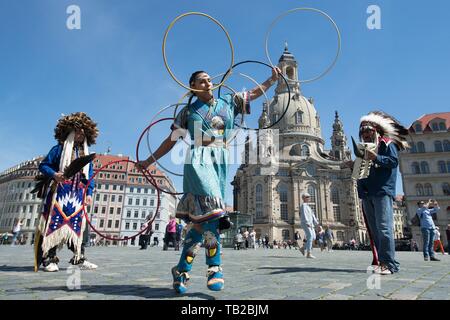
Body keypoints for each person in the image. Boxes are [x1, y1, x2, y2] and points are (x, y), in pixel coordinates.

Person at [136, 67, 280, 293]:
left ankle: (181, 269)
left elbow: (252, 93)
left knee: (200, 223)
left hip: (220, 161)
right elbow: (171, 141)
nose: (208, 82)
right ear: (193, 87)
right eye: (201, 81)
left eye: (208, 79)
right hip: (198, 159)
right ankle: (215, 268)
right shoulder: (187, 112)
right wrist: (148, 160)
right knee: (212, 213)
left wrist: (271, 80)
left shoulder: (229, 102)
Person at [35, 112, 98, 272]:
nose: (80, 135)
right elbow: (44, 165)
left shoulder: (86, 156)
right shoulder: (59, 149)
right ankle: (49, 258)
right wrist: (54, 174)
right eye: (77, 132)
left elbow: (89, 177)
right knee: (54, 224)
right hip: (59, 193)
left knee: (77, 227)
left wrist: (89, 193)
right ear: (70, 132)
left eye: (82, 133)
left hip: (77, 195)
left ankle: (79, 257)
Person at [356, 111, 409, 275]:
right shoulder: (364, 149)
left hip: (382, 191)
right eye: (363, 132)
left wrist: (376, 158)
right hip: (368, 193)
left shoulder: (387, 143)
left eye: (368, 131)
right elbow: (361, 173)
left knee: (384, 228)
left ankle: (390, 264)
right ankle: (381, 261)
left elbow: (393, 162)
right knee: (374, 229)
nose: (365, 135)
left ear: (376, 131)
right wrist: (353, 165)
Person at [299, 193, 322, 259]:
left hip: (311, 224)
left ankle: (303, 248)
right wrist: (307, 223)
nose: (309, 198)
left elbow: (313, 217)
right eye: (307, 197)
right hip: (306, 223)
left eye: (309, 197)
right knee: (310, 236)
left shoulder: (308, 207)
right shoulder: (303, 205)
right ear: (304, 198)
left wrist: (317, 225)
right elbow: (304, 215)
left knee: (313, 237)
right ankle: (309, 253)